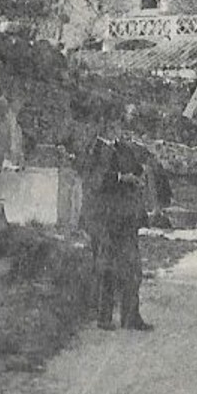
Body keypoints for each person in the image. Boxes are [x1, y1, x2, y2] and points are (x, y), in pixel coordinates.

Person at [79, 137, 151, 331]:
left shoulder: (124, 148)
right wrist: (120, 178)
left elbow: (137, 169)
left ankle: (130, 318)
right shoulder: (95, 149)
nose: (115, 127)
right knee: (106, 268)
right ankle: (104, 318)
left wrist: (140, 175)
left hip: (126, 219)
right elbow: (93, 181)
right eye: (112, 121)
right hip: (104, 220)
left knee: (133, 268)